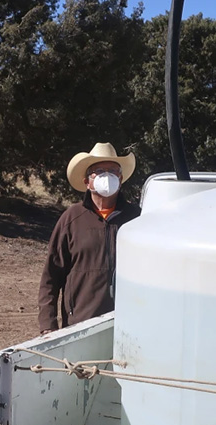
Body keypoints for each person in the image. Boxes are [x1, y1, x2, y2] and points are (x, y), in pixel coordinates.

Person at [38, 142, 141, 334]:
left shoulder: (137, 219)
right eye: (99, 171)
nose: (107, 176)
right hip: (80, 324)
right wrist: (47, 324)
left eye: (113, 170)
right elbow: (51, 276)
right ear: (87, 181)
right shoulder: (71, 219)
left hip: (129, 324)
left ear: (121, 178)